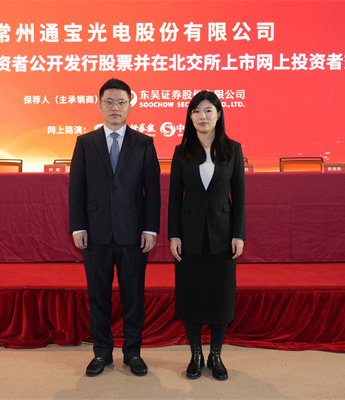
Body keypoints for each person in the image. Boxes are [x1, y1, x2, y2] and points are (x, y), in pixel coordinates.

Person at [69, 78, 161, 377]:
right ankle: (102, 352)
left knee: (133, 296)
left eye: (121, 102)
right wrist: (77, 226)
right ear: (99, 106)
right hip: (95, 233)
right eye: (109, 101)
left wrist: (150, 229)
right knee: (98, 296)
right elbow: (76, 189)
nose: (115, 107)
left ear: (130, 106)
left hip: (133, 234)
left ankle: (133, 352)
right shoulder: (85, 143)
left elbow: (153, 191)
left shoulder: (144, 143)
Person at [167, 90, 246, 381]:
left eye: (208, 110)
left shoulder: (233, 149)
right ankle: (196, 354)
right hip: (189, 236)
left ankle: (216, 355)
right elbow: (174, 197)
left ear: (219, 114)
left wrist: (238, 234)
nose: (203, 116)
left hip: (223, 237)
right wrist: (174, 235)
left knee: (220, 297)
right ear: (190, 117)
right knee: (191, 296)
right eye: (197, 111)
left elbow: (239, 196)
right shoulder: (182, 151)